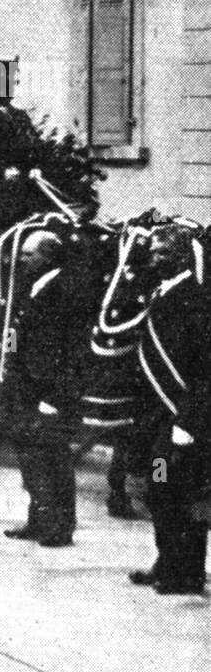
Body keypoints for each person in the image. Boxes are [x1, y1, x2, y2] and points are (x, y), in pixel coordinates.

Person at [0, 231, 87, 547]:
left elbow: (74, 352)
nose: (22, 260)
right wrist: (9, 359)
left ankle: (59, 526)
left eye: (28, 255)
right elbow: (15, 330)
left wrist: (56, 397)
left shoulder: (66, 290)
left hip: (47, 393)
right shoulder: (32, 286)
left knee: (53, 461)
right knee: (31, 460)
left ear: (48, 256)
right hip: (24, 387)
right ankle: (39, 519)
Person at [133, 239, 211, 595]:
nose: (154, 258)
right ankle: (168, 562)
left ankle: (186, 573)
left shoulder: (196, 300)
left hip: (179, 423)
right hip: (156, 421)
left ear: (181, 258)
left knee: (175, 492)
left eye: (163, 253)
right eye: (152, 252)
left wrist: (188, 423)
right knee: (160, 489)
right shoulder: (160, 293)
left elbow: (204, 372)